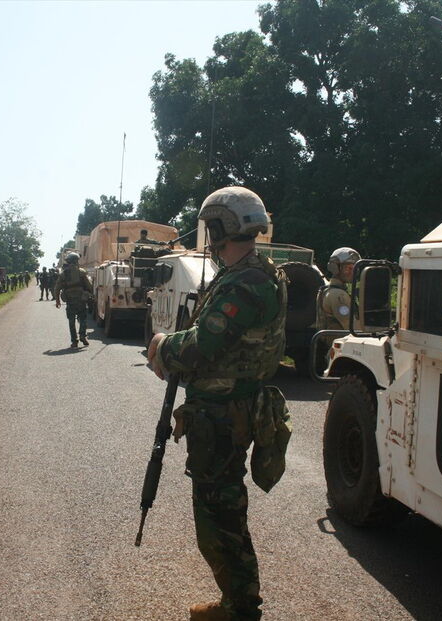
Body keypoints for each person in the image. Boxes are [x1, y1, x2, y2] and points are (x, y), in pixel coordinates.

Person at [147, 186, 288, 621]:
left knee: (218, 515)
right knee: (224, 508)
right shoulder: (256, 273)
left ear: (223, 227)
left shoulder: (247, 281)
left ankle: (240, 607)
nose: (208, 237)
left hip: (224, 416)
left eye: (211, 227)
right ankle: (239, 602)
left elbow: (203, 343)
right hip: (229, 410)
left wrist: (162, 346)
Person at [53, 253, 93, 348]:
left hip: (70, 301)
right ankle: (83, 336)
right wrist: (89, 295)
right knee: (82, 319)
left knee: (71, 322)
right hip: (81, 300)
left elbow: (57, 289)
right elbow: (89, 286)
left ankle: (74, 341)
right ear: (76, 261)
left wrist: (58, 301)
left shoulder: (63, 274)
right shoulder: (81, 272)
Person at [316, 246, 361, 331]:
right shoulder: (338, 295)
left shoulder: (329, 290)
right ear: (335, 268)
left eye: (354, 268)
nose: (352, 272)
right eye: (348, 268)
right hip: (339, 341)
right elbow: (354, 329)